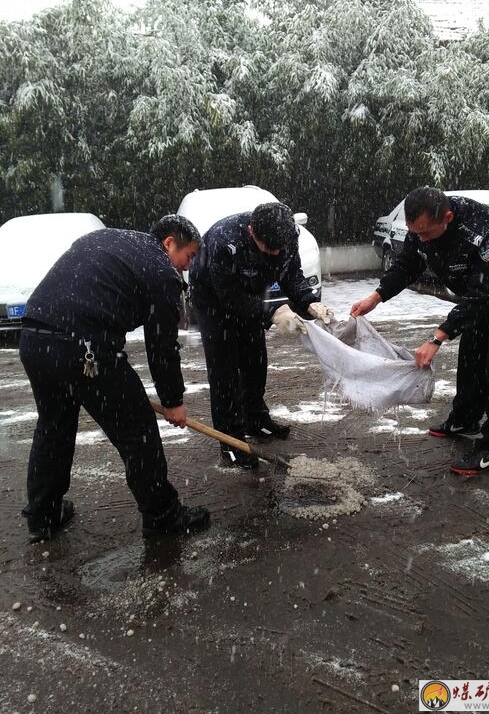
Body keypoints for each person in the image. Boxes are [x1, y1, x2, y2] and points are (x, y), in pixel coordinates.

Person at [19, 214, 210, 542]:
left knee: (54, 426)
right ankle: (163, 516)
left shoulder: (110, 239)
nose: (187, 267)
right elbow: (162, 346)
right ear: (169, 243)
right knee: (138, 431)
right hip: (83, 347)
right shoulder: (161, 271)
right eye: (188, 256)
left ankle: (43, 515)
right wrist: (173, 401)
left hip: (35, 337)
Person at [351, 187, 489, 475]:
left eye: (426, 233)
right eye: (415, 233)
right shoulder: (423, 229)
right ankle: (465, 419)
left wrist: (437, 337)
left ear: (448, 218)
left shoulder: (487, 232)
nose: (421, 239)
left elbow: (482, 294)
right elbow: (407, 265)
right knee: (471, 354)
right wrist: (376, 297)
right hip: (478, 289)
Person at [188, 201, 333, 469]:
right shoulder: (225, 242)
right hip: (213, 300)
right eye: (269, 249)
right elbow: (229, 298)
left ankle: (255, 420)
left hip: (250, 293)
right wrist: (273, 313)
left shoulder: (286, 237)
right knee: (225, 370)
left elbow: (292, 276)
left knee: (255, 358)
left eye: (280, 248)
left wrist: (309, 301)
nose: (276, 253)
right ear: (252, 231)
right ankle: (230, 441)